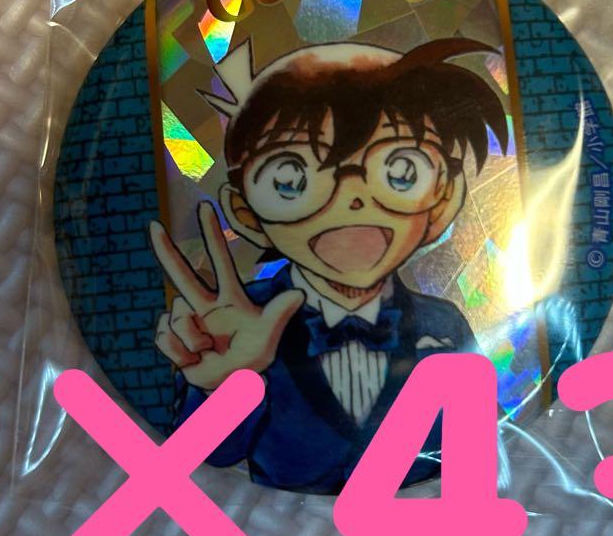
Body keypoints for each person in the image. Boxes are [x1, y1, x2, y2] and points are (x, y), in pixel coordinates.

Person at [150, 37, 508, 492]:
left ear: (444, 199)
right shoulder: (235, 327)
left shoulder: (445, 325)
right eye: (291, 178)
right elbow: (208, 456)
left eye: (400, 172)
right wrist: (221, 386)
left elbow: (484, 442)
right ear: (245, 213)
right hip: (269, 522)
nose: (352, 197)